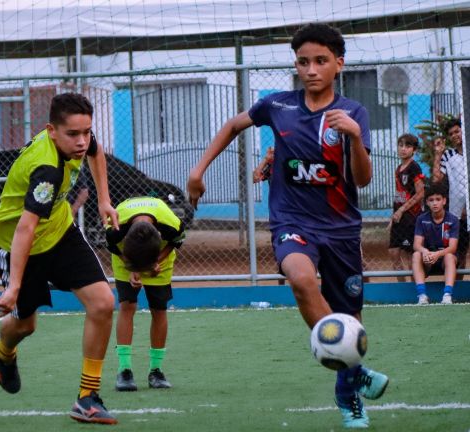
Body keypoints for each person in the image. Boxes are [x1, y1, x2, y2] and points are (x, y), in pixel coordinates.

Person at [187, 23, 388, 429]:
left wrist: (352, 138)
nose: (311, 69)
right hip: (291, 222)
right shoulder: (277, 106)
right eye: (303, 61)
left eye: (321, 61)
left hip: (342, 230)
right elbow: (232, 125)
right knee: (300, 279)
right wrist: (198, 169)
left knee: (350, 319)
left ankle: (348, 386)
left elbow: (362, 180)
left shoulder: (353, 114)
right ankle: (352, 379)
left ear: (339, 64)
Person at [0, 93, 120, 425]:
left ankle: (87, 397)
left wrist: (104, 200)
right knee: (25, 325)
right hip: (18, 245)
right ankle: (3, 350)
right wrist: (14, 287)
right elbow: (25, 229)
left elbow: (96, 152)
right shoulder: (46, 169)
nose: (82, 141)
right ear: (51, 130)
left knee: (102, 303)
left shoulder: (79, 139)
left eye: (86, 131)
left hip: (59, 233)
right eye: (74, 134)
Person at [105, 196, 185, 392]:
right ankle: (124, 371)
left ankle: (156, 370)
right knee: (128, 306)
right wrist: (131, 265)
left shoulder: (172, 225)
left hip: (159, 260)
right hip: (126, 258)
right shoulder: (115, 227)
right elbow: (113, 248)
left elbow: (174, 242)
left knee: (159, 309)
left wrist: (156, 260)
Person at [432, 118, 468, 278]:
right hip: (457, 213)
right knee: (459, 253)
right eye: (451, 133)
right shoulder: (448, 155)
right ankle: (459, 288)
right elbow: (436, 179)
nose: (455, 135)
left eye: (457, 131)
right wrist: (438, 154)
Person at [412, 182, 459, 305]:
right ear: (427, 202)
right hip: (428, 260)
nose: (434, 203)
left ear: (444, 201)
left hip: (444, 259)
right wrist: (425, 251)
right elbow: (416, 244)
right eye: (431, 200)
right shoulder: (421, 219)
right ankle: (422, 296)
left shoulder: (453, 220)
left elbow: (453, 247)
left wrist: (438, 254)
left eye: (438, 199)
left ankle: (447, 295)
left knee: (449, 256)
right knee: (416, 254)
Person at [389, 134, 425, 282]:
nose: (403, 149)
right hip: (398, 217)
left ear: (414, 150)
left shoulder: (414, 167)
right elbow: (400, 195)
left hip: (411, 217)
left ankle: (414, 290)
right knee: (393, 253)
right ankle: (402, 288)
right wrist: (394, 217)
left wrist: (402, 210)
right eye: (401, 145)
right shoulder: (398, 169)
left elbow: (420, 193)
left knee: (410, 257)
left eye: (408, 146)